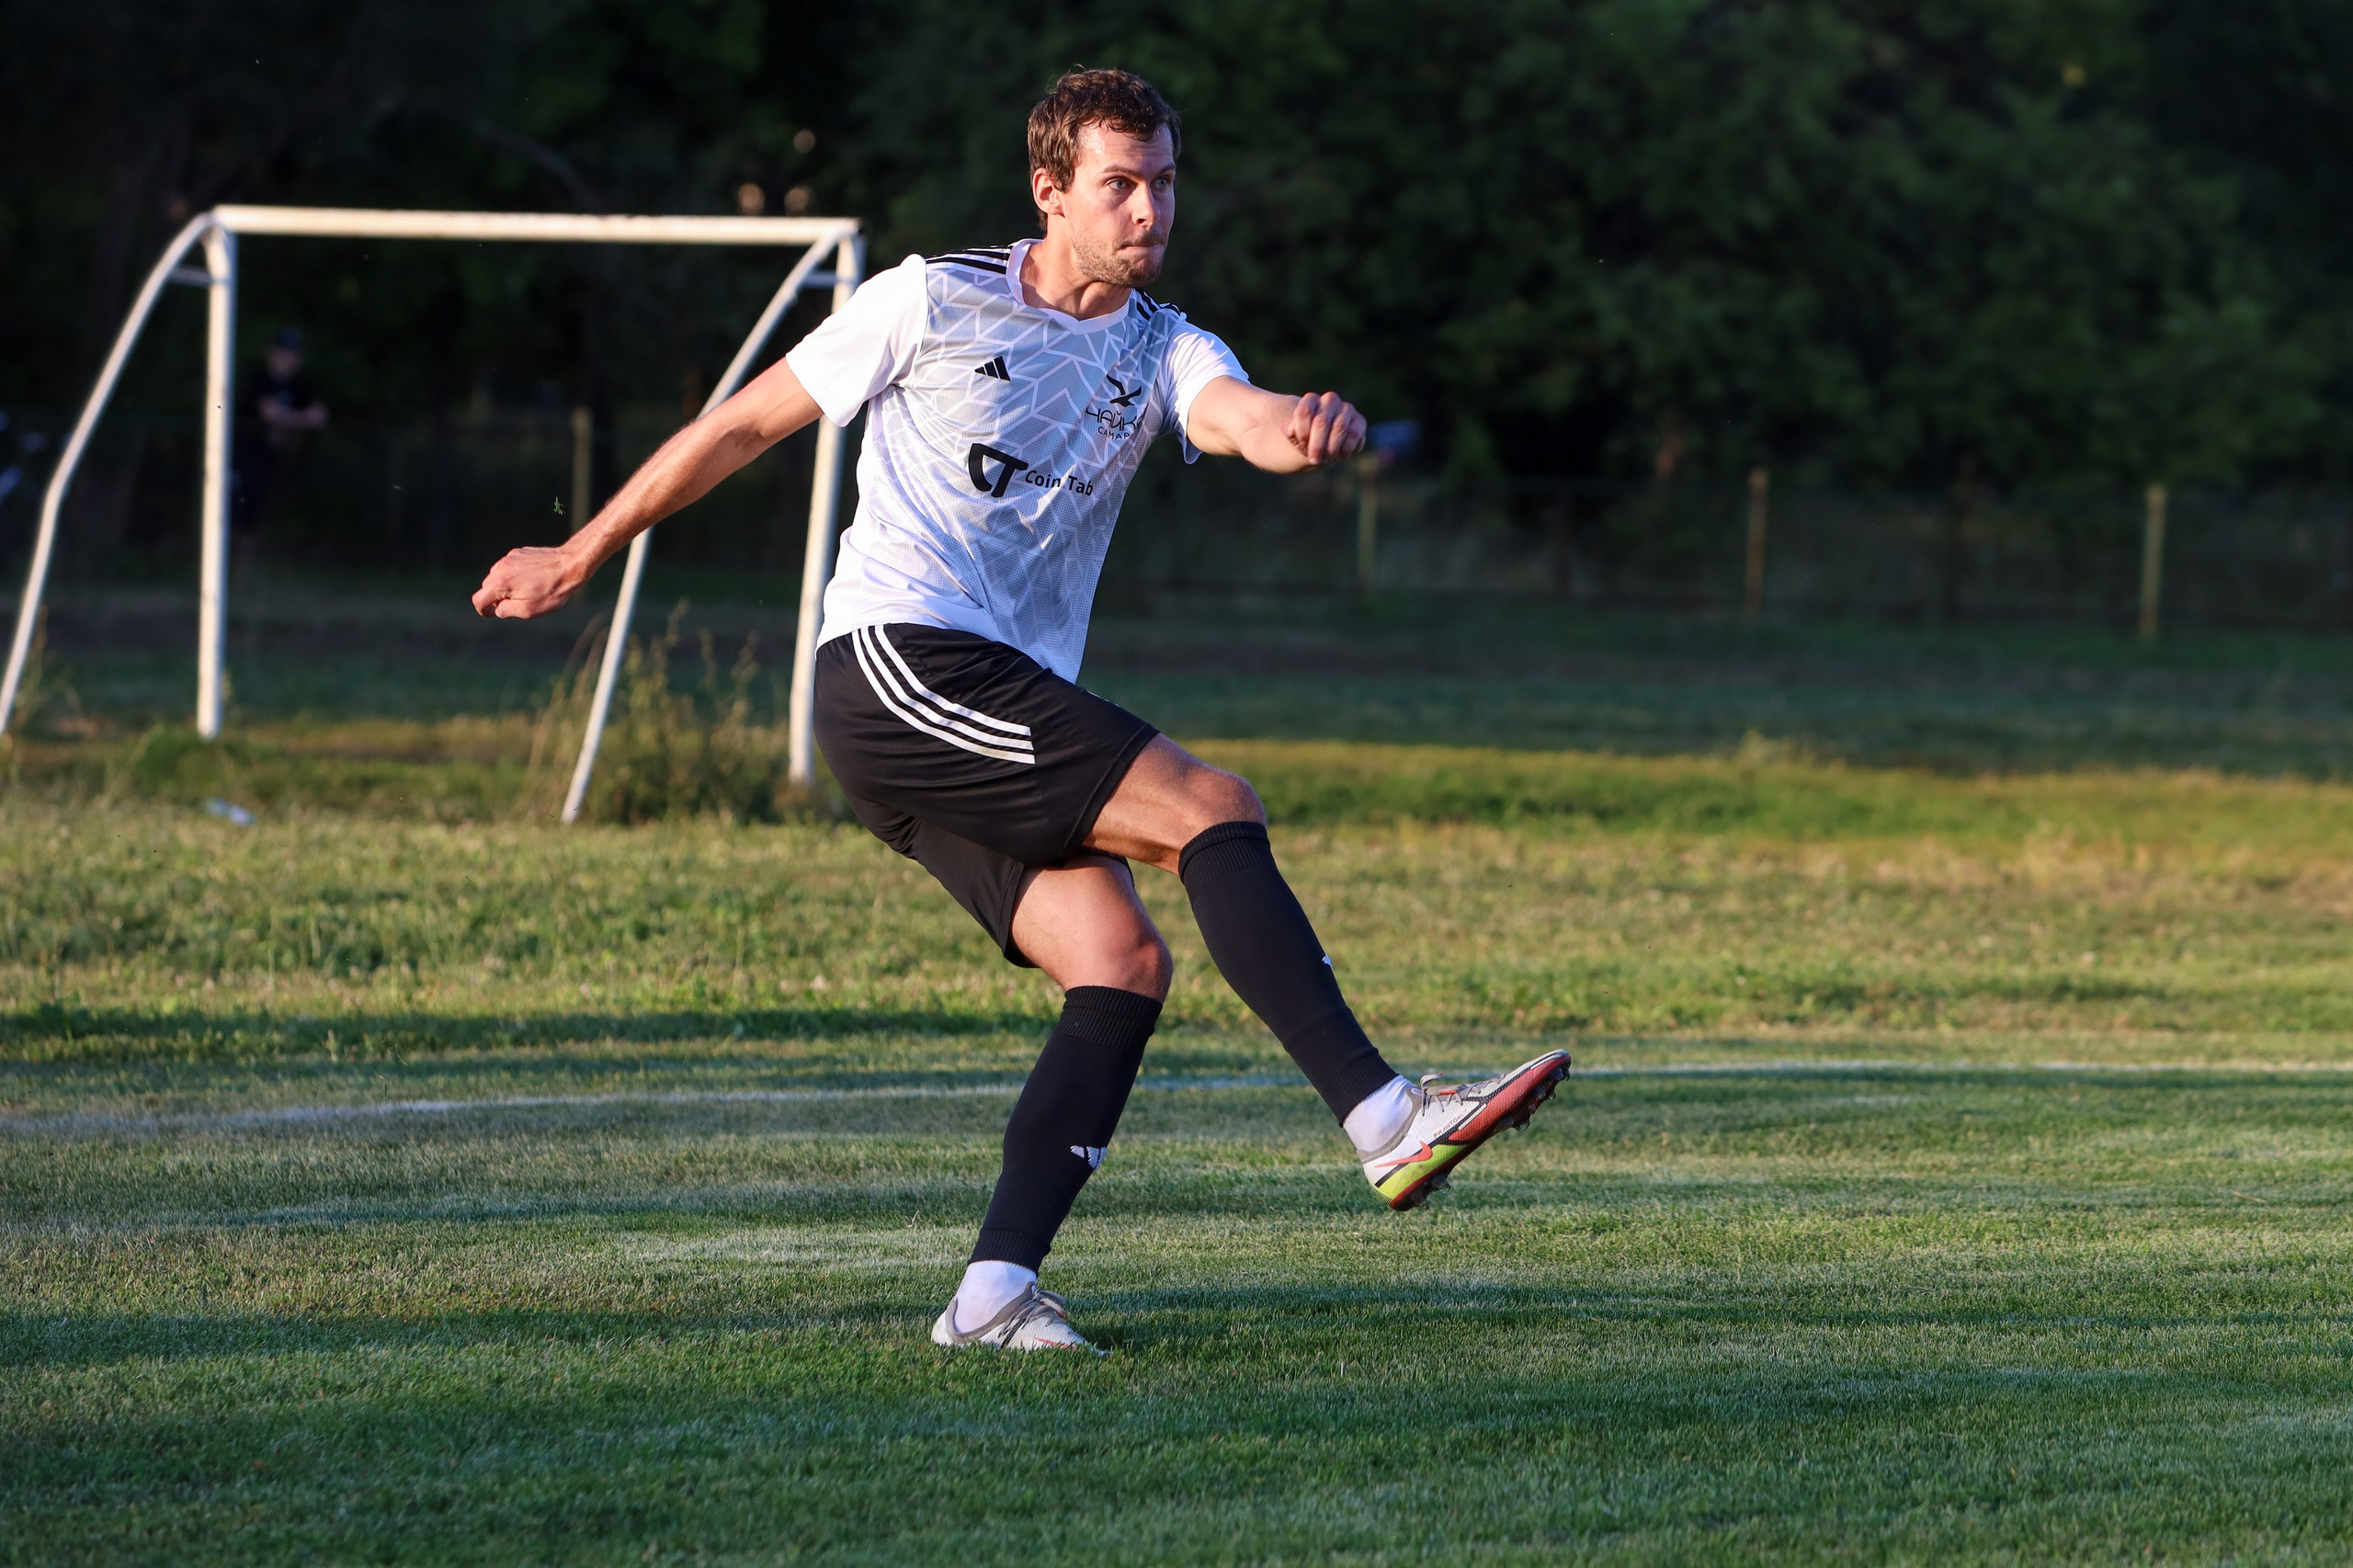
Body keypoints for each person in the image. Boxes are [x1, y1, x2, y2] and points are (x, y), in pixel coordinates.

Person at [472, 69, 1569, 1353]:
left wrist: (1302, 427)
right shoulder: (928, 298)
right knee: (1212, 806)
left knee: (1121, 961)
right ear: (1049, 193)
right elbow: (742, 427)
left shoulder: (1162, 344)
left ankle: (992, 1295)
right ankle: (1387, 1118)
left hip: (982, 702)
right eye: (1119, 183)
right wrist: (585, 549)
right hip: (898, 666)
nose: (1148, 206)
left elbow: (1238, 415)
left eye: (1162, 179)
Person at [232, 325, 328, 561]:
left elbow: (319, 416)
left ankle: (246, 576)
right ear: (272, 352)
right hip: (243, 457)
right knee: (236, 514)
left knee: (256, 517)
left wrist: (286, 421)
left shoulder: (300, 384)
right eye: (283, 351)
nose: (287, 358)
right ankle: (226, 570)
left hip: (275, 462)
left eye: (293, 353)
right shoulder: (257, 377)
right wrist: (300, 419)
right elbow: (269, 414)